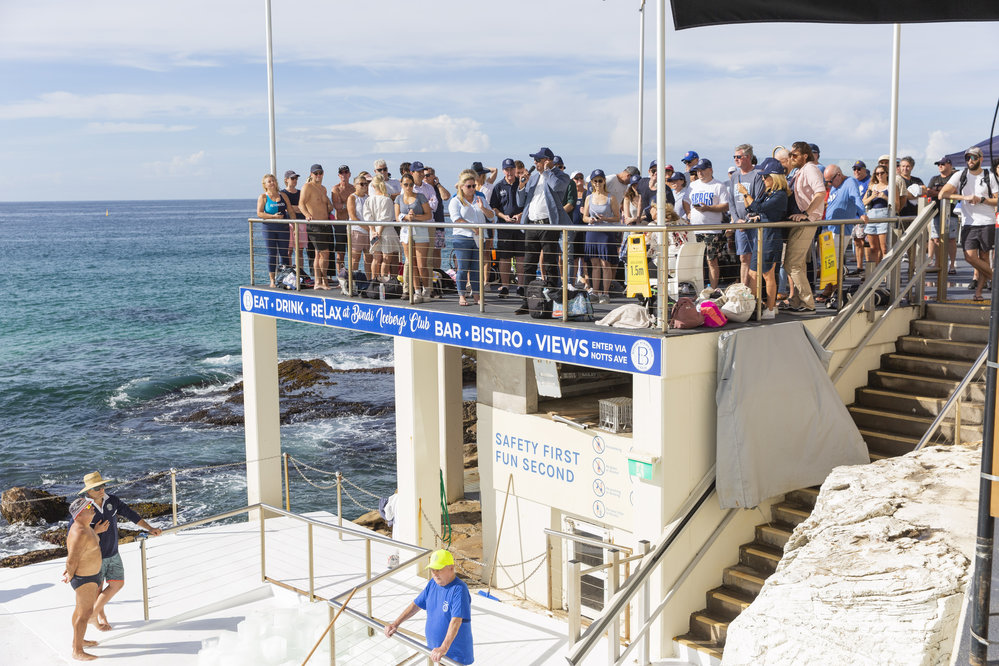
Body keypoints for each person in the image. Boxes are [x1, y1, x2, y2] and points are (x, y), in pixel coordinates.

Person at [75, 471, 162, 633]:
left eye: (102, 486)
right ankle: (101, 617)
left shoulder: (112, 501)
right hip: (94, 557)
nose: (102, 489)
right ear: (88, 491)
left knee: (117, 583)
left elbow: (130, 514)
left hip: (113, 552)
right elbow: (74, 533)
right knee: (97, 590)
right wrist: (95, 530)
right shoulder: (82, 507)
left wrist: (150, 528)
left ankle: (93, 614)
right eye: (97, 488)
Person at [384, 550, 473, 664]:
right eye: (432, 570)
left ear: (451, 568)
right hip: (437, 652)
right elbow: (416, 605)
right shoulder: (433, 583)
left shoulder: (459, 589)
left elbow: (456, 621)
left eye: (438, 569)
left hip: (454, 656)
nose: (435, 573)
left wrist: (443, 648)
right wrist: (395, 624)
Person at [514, 147, 573, 315]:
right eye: (535, 160)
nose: (535, 163)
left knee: (550, 263)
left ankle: (555, 301)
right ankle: (527, 301)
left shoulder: (560, 176)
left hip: (548, 225)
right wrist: (521, 186)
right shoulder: (532, 179)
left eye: (538, 160)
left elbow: (557, 187)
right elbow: (521, 202)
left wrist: (548, 171)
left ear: (547, 161)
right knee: (528, 265)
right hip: (532, 224)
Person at [939, 146, 998, 301]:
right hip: (969, 223)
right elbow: (942, 194)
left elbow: (997, 199)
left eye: (973, 157)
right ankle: (995, 278)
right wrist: (964, 198)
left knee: (984, 258)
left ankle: (978, 293)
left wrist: (982, 199)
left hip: (987, 221)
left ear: (981, 158)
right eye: (967, 158)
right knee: (969, 257)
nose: (970, 161)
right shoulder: (960, 174)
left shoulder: (989, 176)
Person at [740, 157, 789, 319]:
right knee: (753, 273)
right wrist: (756, 215)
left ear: (774, 177)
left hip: (770, 237)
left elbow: (758, 207)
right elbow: (754, 208)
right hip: (761, 236)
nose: (763, 179)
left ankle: (770, 307)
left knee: (768, 274)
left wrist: (746, 194)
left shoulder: (780, 195)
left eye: (766, 176)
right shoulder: (768, 192)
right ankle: (755, 305)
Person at [784, 142, 826, 313]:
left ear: (805, 155)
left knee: (792, 264)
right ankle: (797, 301)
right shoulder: (800, 170)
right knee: (796, 263)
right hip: (800, 221)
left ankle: (807, 303)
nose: (791, 158)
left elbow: (820, 192)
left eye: (794, 155)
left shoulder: (810, 169)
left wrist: (807, 213)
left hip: (806, 222)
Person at [820, 164, 867, 303]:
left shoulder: (850, 182)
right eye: (827, 181)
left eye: (830, 181)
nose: (829, 184)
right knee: (829, 262)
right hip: (830, 228)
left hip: (840, 229)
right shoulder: (836, 185)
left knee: (834, 262)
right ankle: (831, 289)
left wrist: (862, 213)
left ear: (838, 175)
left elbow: (856, 198)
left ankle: (834, 291)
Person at [63, 497, 103, 661]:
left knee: (80, 610)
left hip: (91, 576)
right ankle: (77, 651)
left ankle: (78, 641)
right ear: (79, 514)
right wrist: (69, 573)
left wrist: (96, 531)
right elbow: (72, 558)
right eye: (88, 506)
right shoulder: (79, 531)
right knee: (85, 613)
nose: (92, 507)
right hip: (84, 578)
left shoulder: (85, 527)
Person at [449, 170, 495, 306]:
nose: (472, 189)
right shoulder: (455, 201)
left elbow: (492, 216)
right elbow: (456, 218)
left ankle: (477, 296)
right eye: (469, 186)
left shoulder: (480, 199)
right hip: (462, 237)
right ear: (461, 187)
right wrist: (472, 227)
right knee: (463, 268)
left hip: (479, 238)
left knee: (476, 268)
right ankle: (461, 295)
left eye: (474, 186)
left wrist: (483, 208)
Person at [683, 159, 730, 290]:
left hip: (712, 230)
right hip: (695, 229)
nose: (700, 173)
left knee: (711, 260)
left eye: (703, 170)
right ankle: (699, 290)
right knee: (697, 263)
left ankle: (713, 289)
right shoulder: (693, 185)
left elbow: (725, 206)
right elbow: (685, 201)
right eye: (698, 171)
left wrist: (708, 208)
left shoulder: (718, 186)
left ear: (710, 170)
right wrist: (688, 213)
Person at [583, 169, 621, 304]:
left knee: (606, 264)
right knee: (594, 264)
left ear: (604, 181)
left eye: (600, 180)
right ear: (592, 183)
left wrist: (605, 218)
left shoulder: (611, 197)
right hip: (592, 232)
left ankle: (605, 293)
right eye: (595, 181)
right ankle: (595, 291)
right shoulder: (589, 198)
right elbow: (584, 217)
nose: (598, 183)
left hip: (605, 232)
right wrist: (591, 220)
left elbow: (617, 217)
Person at [729, 144, 764, 286]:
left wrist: (748, 220)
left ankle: (753, 289)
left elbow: (757, 200)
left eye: (739, 157)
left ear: (748, 157)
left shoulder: (757, 175)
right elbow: (731, 201)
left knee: (755, 258)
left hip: (754, 223)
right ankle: (743, 288)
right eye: (734, 157)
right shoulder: (735, 176)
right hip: (740, 224)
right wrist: (737, 220)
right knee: (743, 257)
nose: (736, 160)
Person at [490, 158, 525, 298]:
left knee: (521, 257)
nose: (509, 172)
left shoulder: (522, 184)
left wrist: (520, 215)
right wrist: (504, 217)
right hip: (504, 227)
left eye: (511, 169)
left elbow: (528, 203)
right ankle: (505, 286)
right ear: (503, 170)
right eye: (507, 169)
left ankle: (521, 286)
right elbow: (494, 207)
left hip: (520, 227)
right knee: (504, 258)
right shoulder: (498, 186)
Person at [397, 173, 433, 302]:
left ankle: (427, 289)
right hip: (406, 233)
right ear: (401, 185)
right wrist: (406, 217)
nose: (408, 187)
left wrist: (414, 217)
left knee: (421, 265)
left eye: (411, 184)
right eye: (406, 184)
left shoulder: (420, 197)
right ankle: (417, 291)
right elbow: (397, 217)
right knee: (411, 263)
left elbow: (428, 215)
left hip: (421, 232)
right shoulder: (398, 199)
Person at [301, 164, 335, 290]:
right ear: (311, 174)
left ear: (323, 173)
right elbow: (301, 204)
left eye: (320, 173)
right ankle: (324, 280)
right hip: (315, 225)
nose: (318, 175)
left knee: (319, 254)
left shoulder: (323, 189)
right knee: (324, 253)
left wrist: (329, 207)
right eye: (315, 173)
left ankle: (317, 281)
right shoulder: (307, 187)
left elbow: (327, 205)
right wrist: (307, 215)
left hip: (325, 224)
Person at [256, 174, 293, 287]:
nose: (272, 183)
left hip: (283, 228)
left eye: (273, 181)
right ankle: (272, 280)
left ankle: (285, 278)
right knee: (272, 254)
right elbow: (259, 213)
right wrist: (273, 217)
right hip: (269, 228)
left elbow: (290, 210)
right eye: (269, 181)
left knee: (284, 253)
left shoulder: (283, 196)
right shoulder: (263, 197)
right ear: (265, 185)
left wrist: (294, 224)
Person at [861, 163, 898, 272]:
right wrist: (872, 196)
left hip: (884, 215)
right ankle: (874, 272)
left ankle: (885, 272)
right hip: (872, 215)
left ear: (887, 174)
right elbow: (863, 202)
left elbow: (896, 204)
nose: (880, 175)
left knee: (884, 248)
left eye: (882, 173)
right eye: (877, 174)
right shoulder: (872, 186)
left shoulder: (891, 186)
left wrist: (885, 197)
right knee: (873, 248)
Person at [926, 156, 960, 274]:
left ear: (950, 165)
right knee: (935, 239)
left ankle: (952, 264)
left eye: (943, 164)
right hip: (936, 212)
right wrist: (943, 192)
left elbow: (955, 191)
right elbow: (928, 191)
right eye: (938, 164)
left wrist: (939, 192)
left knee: (951, 239)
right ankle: (937, 263)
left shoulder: (954, 178)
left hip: (952, 212)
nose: (940, 166)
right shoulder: (934, 178)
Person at [364, 176, 401, 283]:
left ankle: (374, 282)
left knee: (376, 259)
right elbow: (386, 218)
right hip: (386, 231)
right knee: (386, 259)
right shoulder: (387, 199)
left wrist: (374, 231)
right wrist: (379, 232)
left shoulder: (368, 200)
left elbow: (367, 217)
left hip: (373, 231)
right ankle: (383, 283)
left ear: (373, 185)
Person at [281, 170, 309, 279]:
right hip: (288, 224)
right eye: (292, 178)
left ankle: (299, 273)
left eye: (296, 178)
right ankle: (289, 273)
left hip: (301, 223)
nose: (295, 181)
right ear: (286, 180)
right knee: (289, 250)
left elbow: (303, 207)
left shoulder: (301, 193)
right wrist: (296, 208)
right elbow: (286, 208)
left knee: (300, 250)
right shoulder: (283, 193)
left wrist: (294, 208)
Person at [330, 165, 355, 278]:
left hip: (352, 224)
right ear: (339, 175)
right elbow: (337, 206)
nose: (343, 174)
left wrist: (344, 204)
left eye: (346, 172)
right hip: (340, 223)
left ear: (349, 174)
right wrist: (349, 205)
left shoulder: (353, 188)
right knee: (340, 253)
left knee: (353, 252)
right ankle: (341, 278)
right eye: (341, 172)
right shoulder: (336, 189)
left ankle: (350, 276)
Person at [424, 166, 451, 273]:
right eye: (424, 175)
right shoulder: (421, 189)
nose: (425, 177)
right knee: (425, 253)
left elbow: (446, 196)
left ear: (433, 176)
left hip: (438, 224)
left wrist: (438, 184)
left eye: (428, 175)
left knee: (436, 253)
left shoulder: (437, 189)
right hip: (425, 225)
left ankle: (437, 275)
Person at [346, 175, 371, 279]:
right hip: (356, 231)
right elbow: (352, 216)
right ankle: (352, 282)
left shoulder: (368, 198)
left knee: (369, 258)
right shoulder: (352, 197)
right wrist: (366, 227)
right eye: (361, 184)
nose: (364, 186)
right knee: (355, 258)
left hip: (368, 232)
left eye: (366, 184)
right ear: (355, 185)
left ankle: (370, 281)